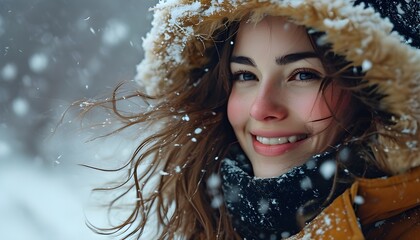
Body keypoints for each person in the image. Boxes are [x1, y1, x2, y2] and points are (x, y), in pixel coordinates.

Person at [85, 0, 420, 239]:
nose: (262, 109)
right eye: (245, 75)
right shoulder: (213, 222)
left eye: (302, 74)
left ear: (374, 91)